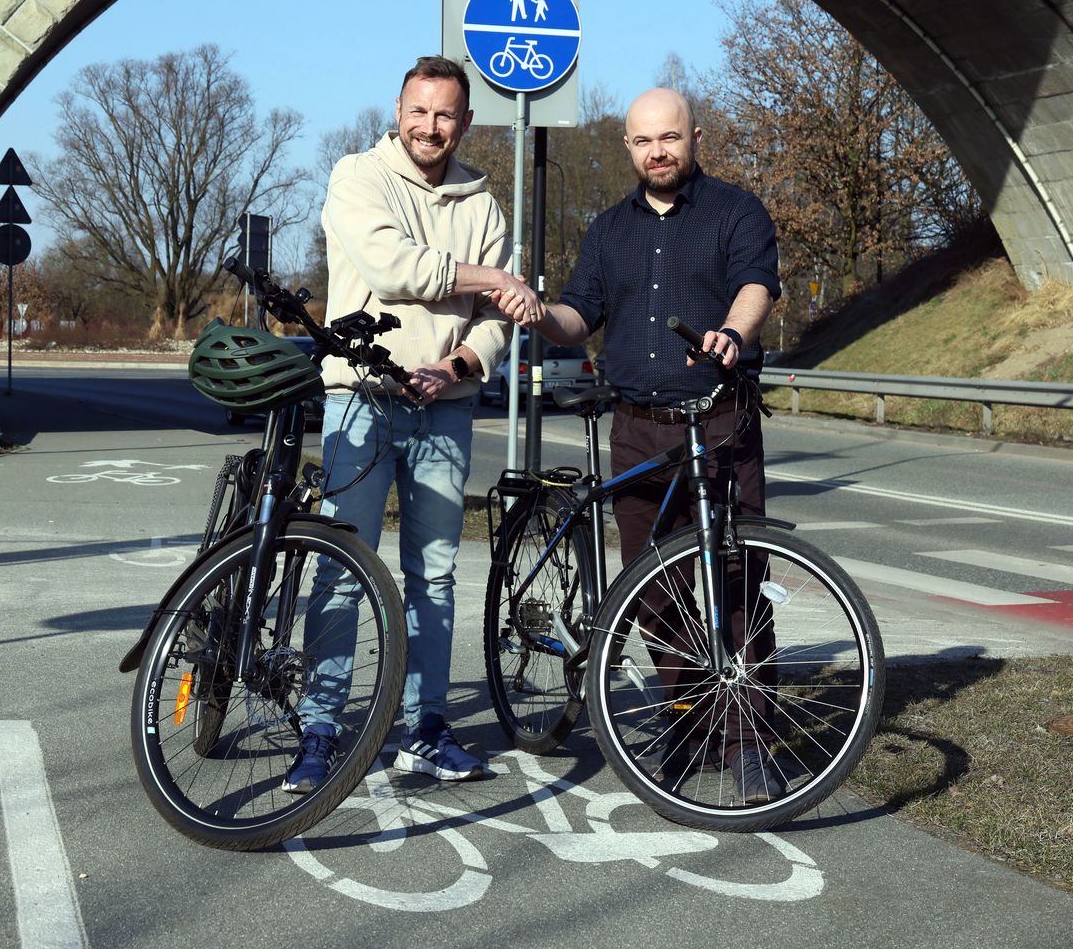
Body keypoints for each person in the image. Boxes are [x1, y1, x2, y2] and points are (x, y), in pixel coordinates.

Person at [288, 55, 543, 793]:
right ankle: (321, 727)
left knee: (432, 576)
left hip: (445, 411)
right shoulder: (356, 176)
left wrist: (459, 364)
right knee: (343, 573)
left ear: (464, 123)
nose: (430, 127)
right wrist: (493, 277)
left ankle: (425, 728)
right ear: (397, 112)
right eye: (418, 111)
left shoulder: (483, 206)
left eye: (445, 115)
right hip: (360, 400)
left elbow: (497, 324)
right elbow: (394, 266)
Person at [523, 86, 784, 801]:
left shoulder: (736, 211)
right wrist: (542, 314)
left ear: (694, 137)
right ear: (628, 147)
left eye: (668, 137)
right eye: (642, 141)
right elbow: (581, 315)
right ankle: (689, 719)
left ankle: (747, 739)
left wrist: (732, 333)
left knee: (735, 582)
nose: (657, 151)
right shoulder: (609, 229)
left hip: (720, 419)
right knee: (654, 591)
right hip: (637, 427)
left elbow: (756, 286)